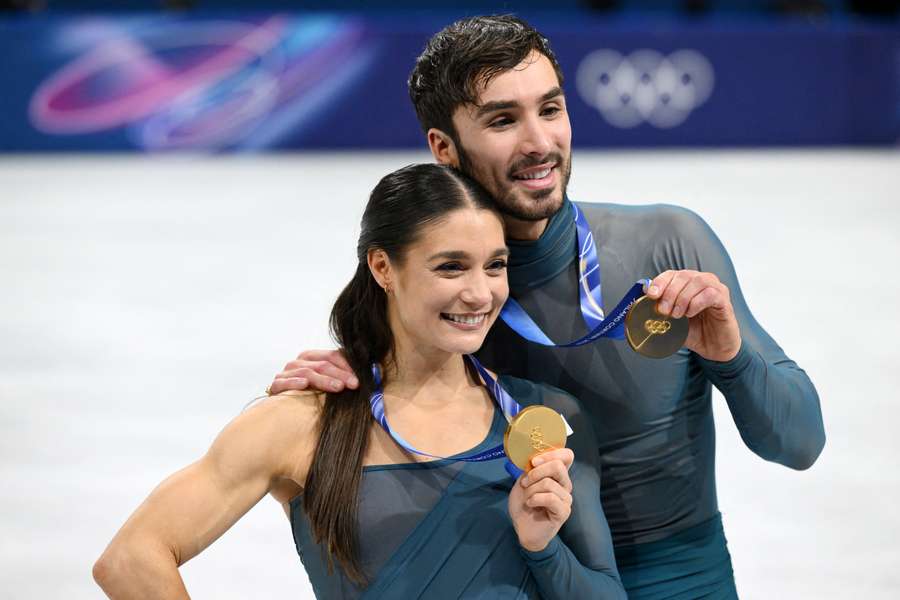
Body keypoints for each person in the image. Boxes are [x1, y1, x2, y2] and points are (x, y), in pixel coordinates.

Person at [267, 15, 827, 599]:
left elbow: (800, 444)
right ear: (443, 148)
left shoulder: (667, 244)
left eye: (551, 109)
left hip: (682, 579)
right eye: (504, 120)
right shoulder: (441, 298)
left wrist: (732, 359)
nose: (539, 143)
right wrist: (336, 388)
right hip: (522, 578)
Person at [92, 164, 628, 599]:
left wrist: (542, 549)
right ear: (383, 268)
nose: (480, 292)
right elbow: (130, 560)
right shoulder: (300, 424)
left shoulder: (543, 420)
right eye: (450, 267)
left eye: (494, 265)